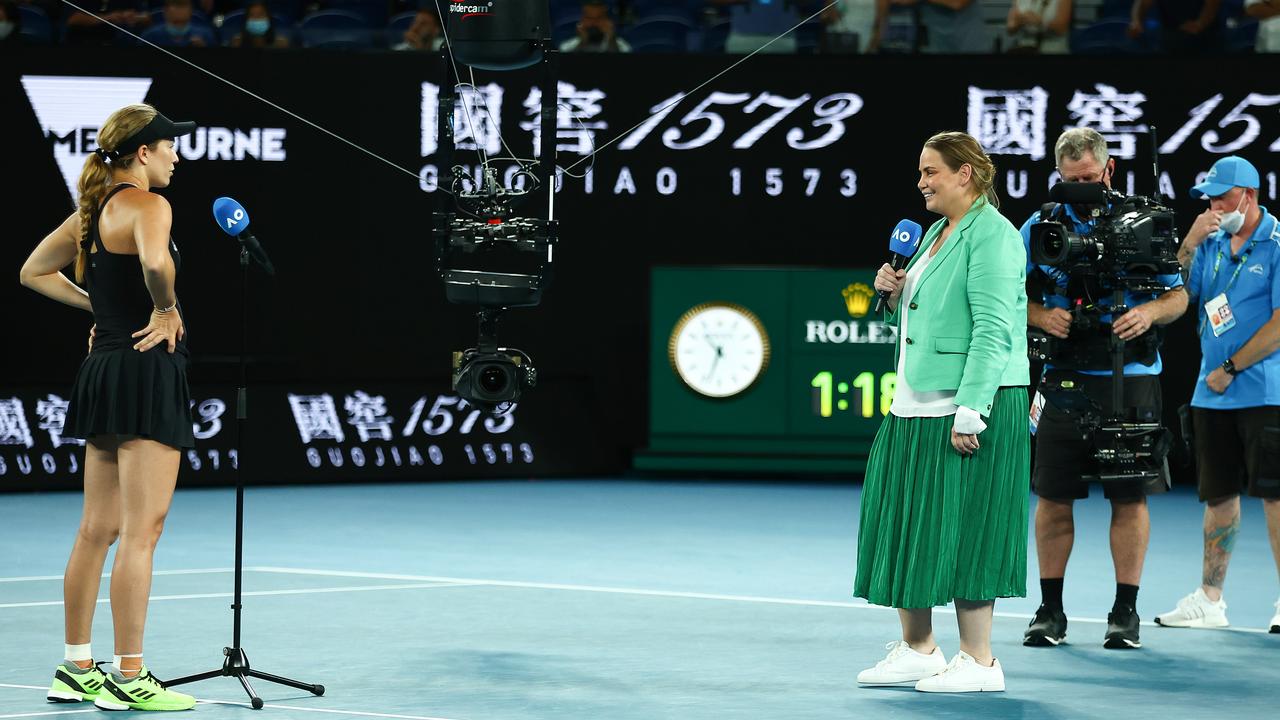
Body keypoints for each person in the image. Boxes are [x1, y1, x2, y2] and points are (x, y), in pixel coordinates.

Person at [18, 103, 198, 712]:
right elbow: (153, 263)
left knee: (97, 529)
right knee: (141, 535)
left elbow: (32, 272)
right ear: (143, 153)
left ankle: (77, 668)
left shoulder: (92, 215)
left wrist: (102, 314)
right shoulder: (150, 206)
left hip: (102, 371)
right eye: (169, 146)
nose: (176, 154)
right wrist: (164, 309)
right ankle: (130, 674)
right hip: (146, 371)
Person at [855, 131, 1030, 693]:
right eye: (920, 171)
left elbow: (994, 330)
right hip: (914, 400)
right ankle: (918, 649)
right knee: (909, 521)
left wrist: (972, 407)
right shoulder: (933, 233)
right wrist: (893, 293)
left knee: (968, 527)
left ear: (966, 175)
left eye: (932, 171)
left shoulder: (995, 236)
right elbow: (920, 326)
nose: (922, 182)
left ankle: (980, 662)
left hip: (970, 403)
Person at [1021, 128, 1188, 650]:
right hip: (1062, 380)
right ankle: (1050, 611)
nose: (1082, 190)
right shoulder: (1041, 225)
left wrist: (1148, 312)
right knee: (1052, 497)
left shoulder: (1147, 220)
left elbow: (1177, 296)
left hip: (1131, 381)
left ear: (1109, 170)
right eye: (1071, 182)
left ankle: (1125, 612)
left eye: (1090, 180)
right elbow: (1003, 293)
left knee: (1129, 497)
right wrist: (1041, 315)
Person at [1157, 156, 1280, 634]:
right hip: (1212, 396)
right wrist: (1187, 243)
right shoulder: (1207, 243)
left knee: (1275, 497)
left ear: (1247, 197)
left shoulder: (1275, 243)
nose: (1212, 205)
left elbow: (1279, 324)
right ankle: (1210, 599)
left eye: (1220, 198)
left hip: (1264, 392)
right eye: (1208, 197)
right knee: (1218, 499)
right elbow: (1179, 295)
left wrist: (1231, 367)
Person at [559, 0, 631, 53]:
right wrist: (582, 42)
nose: (594, 23)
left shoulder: (621, 46)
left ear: (606, 20)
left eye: (599, 18)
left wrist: (611, 40)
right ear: (582, 20)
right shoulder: (567, 47)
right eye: (589, 18)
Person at [140, 0, 216, 47]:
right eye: (176, 5)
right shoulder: (150, 36)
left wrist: (204, 49)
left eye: (183, 6)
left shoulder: (206, 35)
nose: (180, 10)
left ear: (191, 10)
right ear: (166, 11)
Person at [1005, 0, 1071, 54]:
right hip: (1025, 48)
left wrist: (1041, 22)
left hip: (1054, 47)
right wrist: (1019, 22)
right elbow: (1010, 30)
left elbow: (1062, 28)